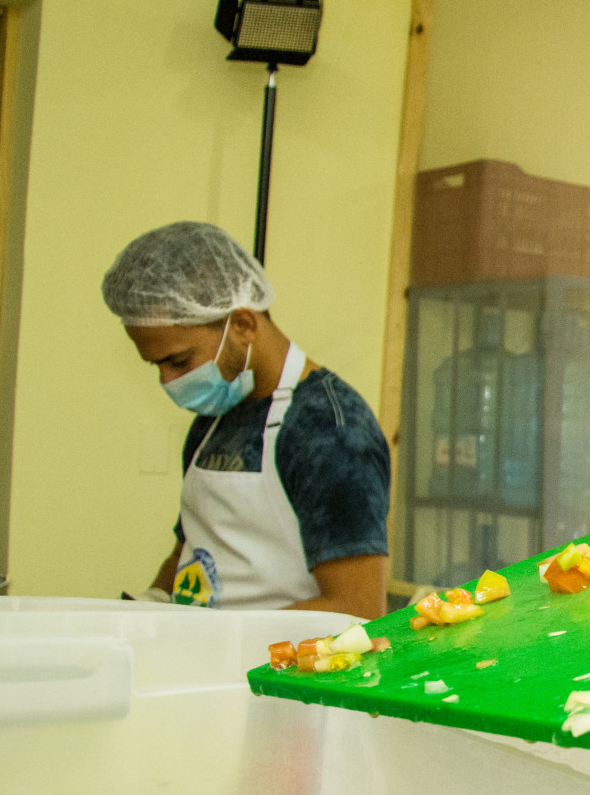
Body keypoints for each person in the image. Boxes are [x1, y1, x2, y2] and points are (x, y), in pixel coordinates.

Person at [103, 222, 390, 620]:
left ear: (243, 325)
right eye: (157, 366)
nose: (168, 382)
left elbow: (355, 608)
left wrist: (228, 641)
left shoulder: (330, 430)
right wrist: (152, 604)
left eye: (179, 361)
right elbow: (192, 546)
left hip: (272, 660)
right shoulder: (216, 415)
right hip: (202, 650)